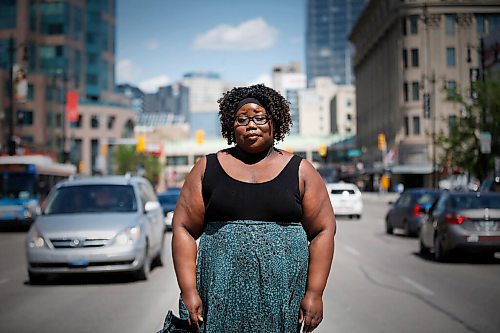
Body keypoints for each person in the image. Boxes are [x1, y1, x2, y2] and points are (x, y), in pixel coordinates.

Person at [171, 84, 336, 333]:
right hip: (219, 302)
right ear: (230, 125)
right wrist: (188, 290)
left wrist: (315, 292)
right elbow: (183, 228)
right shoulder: (207, 168)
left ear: (275, 122)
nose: (251, 124)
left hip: (282, 303)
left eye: (260, 117)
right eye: (242, 119)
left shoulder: (301, 170)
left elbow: (323, 230)